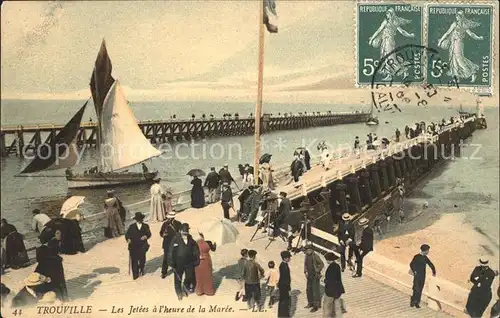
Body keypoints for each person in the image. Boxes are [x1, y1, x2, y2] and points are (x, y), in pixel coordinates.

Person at [168, 223, 200, 300]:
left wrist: (196, 259)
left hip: (189, 263)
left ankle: (185, 288)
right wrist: (171, 262)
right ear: (180, 231)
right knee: (178, 279)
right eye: (184, 231)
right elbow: (170, 251)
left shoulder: (191, 239)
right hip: (178, 263)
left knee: (189, 276)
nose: (186, 232)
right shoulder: (175, 239)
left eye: (187, 231)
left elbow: (195, 250)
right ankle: (179, 293)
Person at [34, 230, 68, 301]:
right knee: (59, 283)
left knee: (49, 284)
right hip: (55, 266)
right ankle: (63, 299)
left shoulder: (40, 249)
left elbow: (39, 260)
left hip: (44, 268)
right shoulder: (53, 245)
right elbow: (56, 253)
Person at [125, 212, 152, 280]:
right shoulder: (132, 226)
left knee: (142, 259)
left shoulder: (145, 226)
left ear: (142, 219)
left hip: (142, 245)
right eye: (138, 219)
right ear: (136, 220)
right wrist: (128, 239)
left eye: (140, 219)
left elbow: (149, 233)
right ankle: (135, 275)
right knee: (134, 260)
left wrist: (146, 236)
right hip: (133, 245)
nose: (139, 220)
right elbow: (127, 234)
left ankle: (141, 268)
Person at [409, 244, 436, 308]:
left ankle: (417, 302)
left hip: (423, 276)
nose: (428, 252)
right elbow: (411, 264)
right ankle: (413, 301)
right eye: (427, 250)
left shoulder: (425, 258)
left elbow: (430, 264)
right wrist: (414, 271)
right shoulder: (416, 256)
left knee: (420, 289)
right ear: (424, 251)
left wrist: (434, 271)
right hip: (417, 276)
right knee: (416, 289)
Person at [323, 252, 347, 318]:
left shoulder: (331, 268)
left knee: (327, 308)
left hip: (330, 291)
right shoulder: (337, 266)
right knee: (337, 308)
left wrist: (324, 280)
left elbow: (330, 280)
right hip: (337, 290)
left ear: (328, 260)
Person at [159, 211, 182, 279]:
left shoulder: (178, 223)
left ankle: (176, 269)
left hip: (175, 243)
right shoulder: (165, 224)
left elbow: (181, 233)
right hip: (167, 243)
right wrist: (163, 234)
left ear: (172, 218)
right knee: (166, 258)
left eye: (169, 218)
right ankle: (164, 272)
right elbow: (161, 233)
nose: (168, 219)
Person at [304, 243, 324, 312]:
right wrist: (305, 271)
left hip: (315, 276)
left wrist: (317, 270)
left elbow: (322, 264)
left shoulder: (315, 256)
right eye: (306, 250)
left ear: (312, 250)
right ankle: (310, 303)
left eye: (309, 250)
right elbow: (305, 265)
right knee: (308, 290)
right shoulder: (306, 256)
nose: (307, 251)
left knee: (315, 291)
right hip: (309, 276)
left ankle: (316, 306)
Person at [277, 250, 292, 317]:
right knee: (284, 301)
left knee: (283, 300)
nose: (289, 259)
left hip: (282, 285)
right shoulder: (284, 266)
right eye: (289, 257)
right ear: (285, 258)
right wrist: (288, 287)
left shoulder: (283, 264)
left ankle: (282, 315)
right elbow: (285, 278)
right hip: (284, 286)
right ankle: (284, 315)